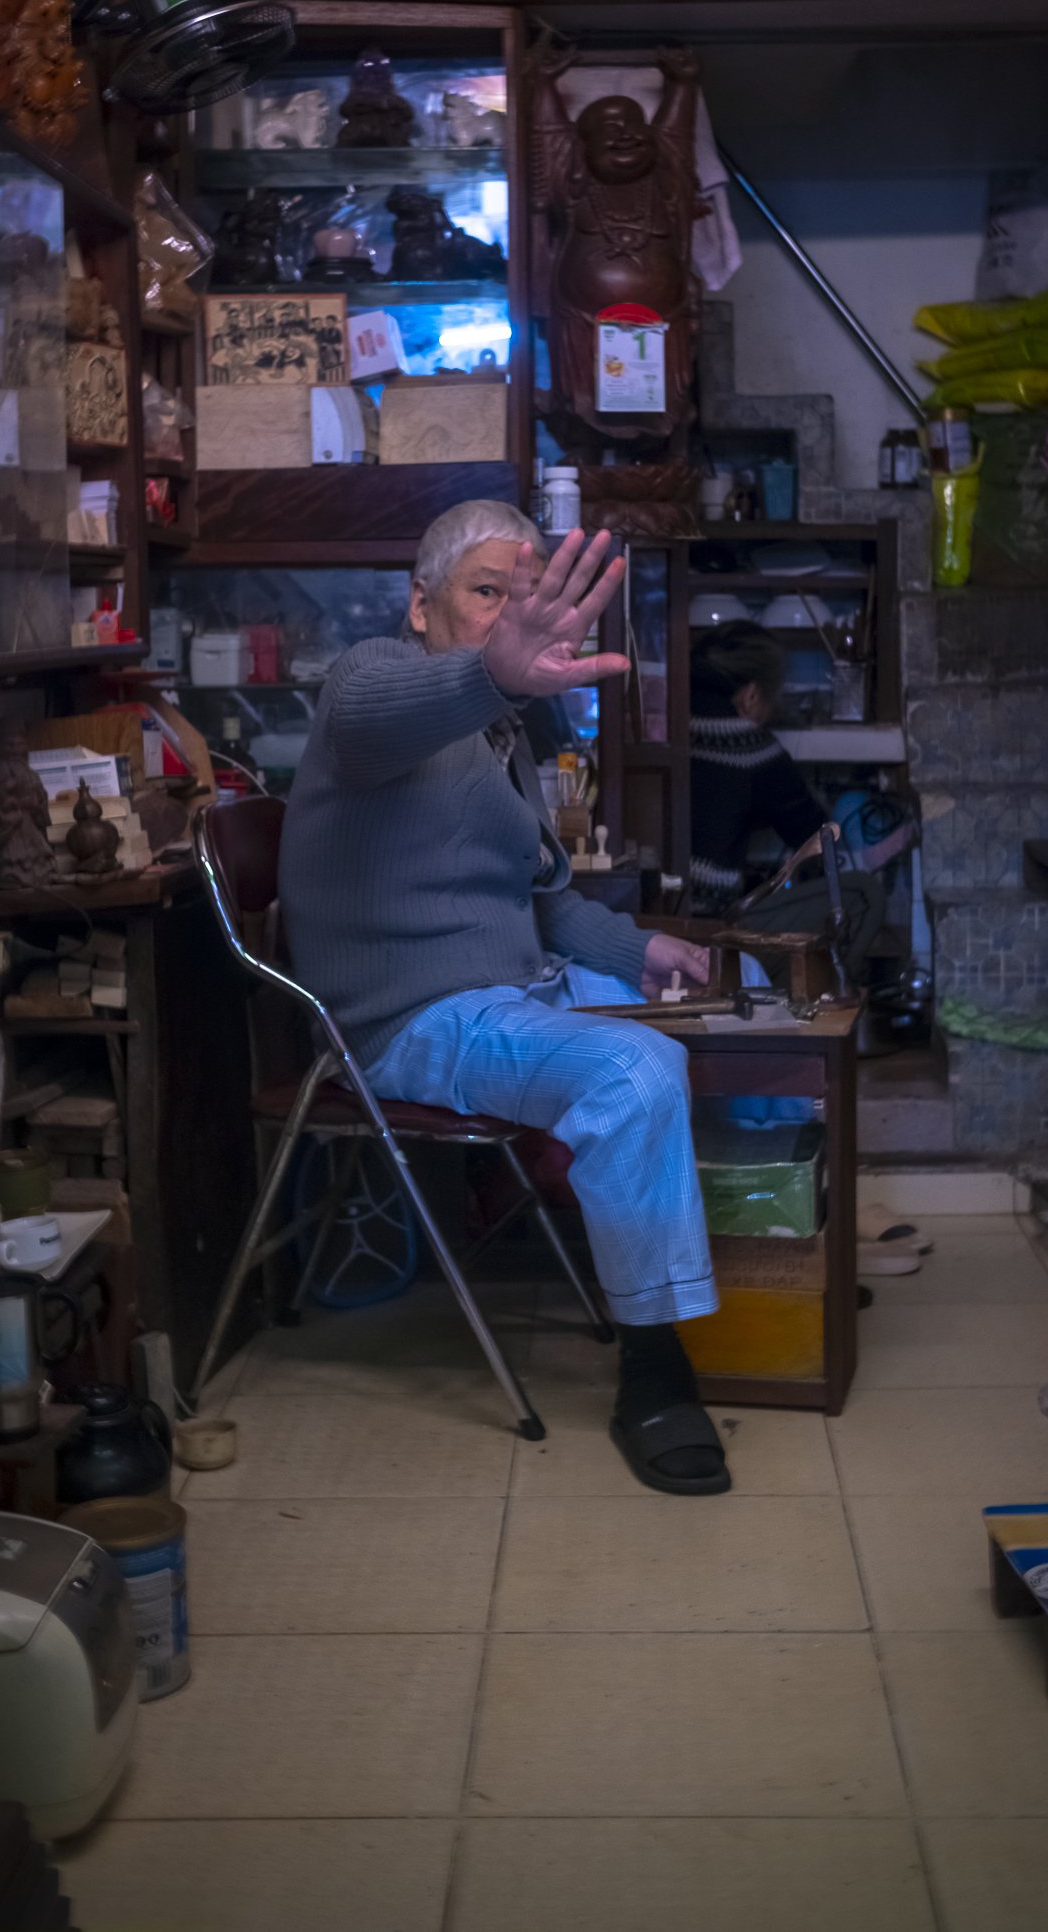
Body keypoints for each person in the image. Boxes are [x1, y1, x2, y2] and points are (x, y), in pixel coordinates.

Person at [279, 500, 730, 1494]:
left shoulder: (506, 739)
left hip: (513, 993)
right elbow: (367, 722)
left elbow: (550, 901)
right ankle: (655, 1374)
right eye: (487, 593)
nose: (511, 617)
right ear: (418, 603)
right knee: (639, 1066)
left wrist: (646, 944)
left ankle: (778, 1283)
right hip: (410, 1025)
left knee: (735, 1033)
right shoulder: (372, 681)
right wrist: (491, 673)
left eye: (525, 599)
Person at [688, 621, 824, 911]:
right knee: (860, 897)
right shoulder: (751, 748)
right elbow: (814, 834)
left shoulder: (664, 726)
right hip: (709, 920)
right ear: (751, 696)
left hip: (651, 913)